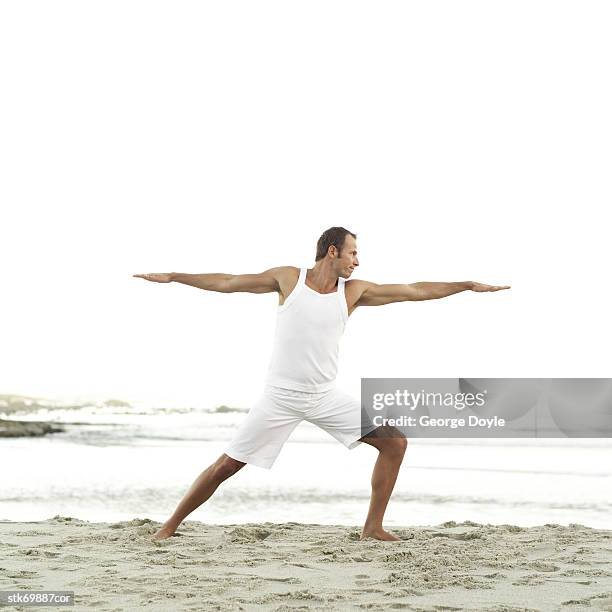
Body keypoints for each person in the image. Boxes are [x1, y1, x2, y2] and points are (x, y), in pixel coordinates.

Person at [133, 226, 510, 541]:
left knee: (394, 443)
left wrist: (466, 285)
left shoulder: (353, 292)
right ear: (333, 251)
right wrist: (174, 277)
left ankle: (373, 527)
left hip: (324, 396)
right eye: (353, 253)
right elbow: (230, 282)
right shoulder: (289, 279)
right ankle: (168, 527)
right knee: (227, 467)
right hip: (280, 397)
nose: (357, 261)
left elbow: (414, 290)